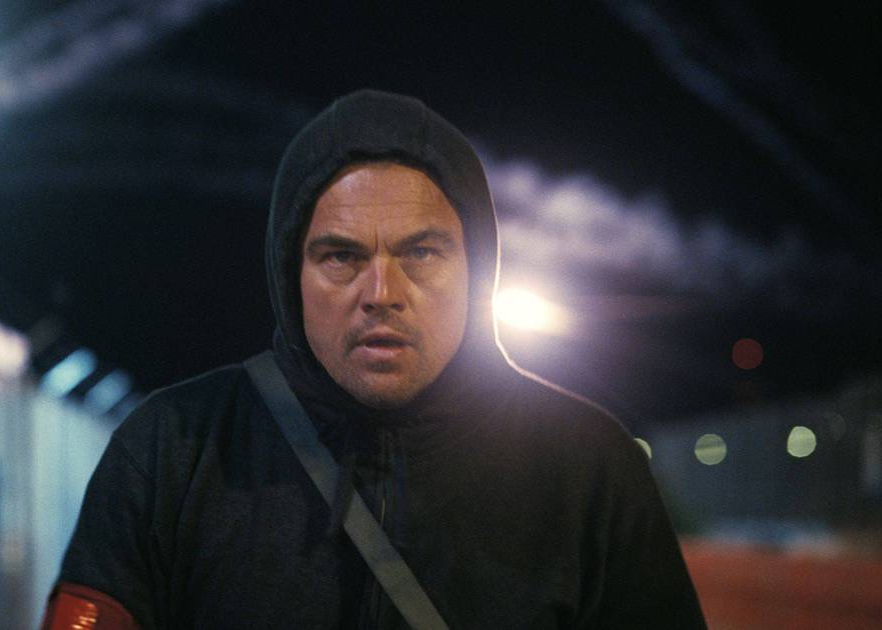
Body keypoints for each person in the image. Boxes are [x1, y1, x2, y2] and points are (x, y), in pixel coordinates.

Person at [43, 89, 706, 629]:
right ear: (289, 274)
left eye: (422, 253)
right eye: (341, 256)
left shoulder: (588, 467)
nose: (383, 293)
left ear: (478, 269)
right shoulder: (172, 450)